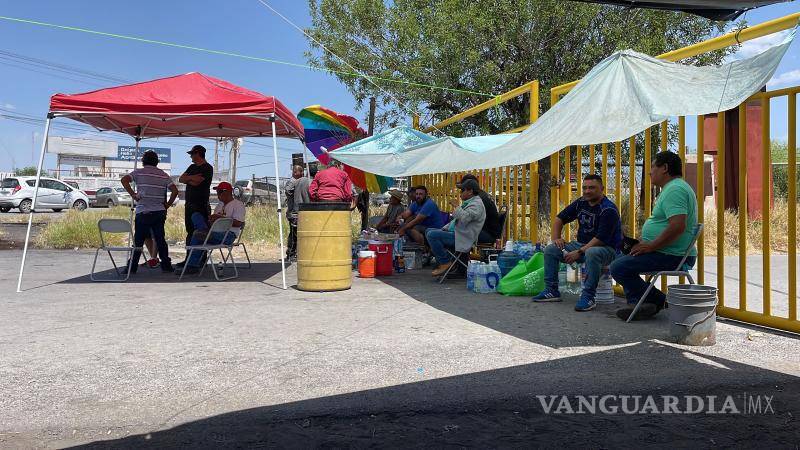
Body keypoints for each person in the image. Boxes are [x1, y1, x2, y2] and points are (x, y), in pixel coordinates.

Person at [612, 151, 698, 321]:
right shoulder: (673, 188)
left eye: (652, 166)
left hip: (673, 255)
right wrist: (646, 242)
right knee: (624, 256)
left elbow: (678, 225)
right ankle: (640, 303)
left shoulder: (675, 189)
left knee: (618, 267)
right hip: (666, 251)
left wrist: (652, 245)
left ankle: (658, 301)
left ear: (665, 168)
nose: (650, 171)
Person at [532, 174, 622, 312]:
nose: (587, 191)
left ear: (602, 189)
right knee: (551, 249)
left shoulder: (608, 209)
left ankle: (589, 296)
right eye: (584, 188)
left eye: (592, 188)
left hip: (606, 249)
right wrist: (556, 238)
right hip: (582, 245)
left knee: (592, 252)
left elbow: (600, 239)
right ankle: (551, 290)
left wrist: (579, 252)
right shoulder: (581, 202)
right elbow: (559, 219)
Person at [120, 150, 179, 274]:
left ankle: (132, 267)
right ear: (157, 162)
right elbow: (175, 191)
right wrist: (167, 204)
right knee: (160, 239)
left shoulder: (138, 172)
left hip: (143, 212)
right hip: (159, 211)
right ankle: (166, 265)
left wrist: (133, 195)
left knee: (138, 241)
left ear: (143, 161)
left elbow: (124, 180)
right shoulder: (163, 174)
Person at [180, 182, 246, 275]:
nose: (217, 194)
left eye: (219, 192)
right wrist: (211, 220)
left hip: (228, 235)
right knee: (196, 216)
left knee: (198, 235)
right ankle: (203, 231)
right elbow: (214, 220)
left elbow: (238, 223)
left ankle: (192, 266)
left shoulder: (238, 204)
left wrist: (219, 218)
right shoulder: (220, 204)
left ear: (226, 192)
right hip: (214, 232)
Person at [425, 179, 486, 277]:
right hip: (457, 233)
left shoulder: (477, 204)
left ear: (470, 191)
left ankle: (445, 262)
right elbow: (456, 221)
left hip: (463, 237)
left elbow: (466, 218)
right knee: (428, 231)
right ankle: (446, 258)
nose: (460, 193)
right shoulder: (469, 202)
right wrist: (445, 228)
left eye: (462, 190)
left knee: (432, 235)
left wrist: (456, 206)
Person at [177, 145, 213, 267]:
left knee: (200, 232)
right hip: (189, 204)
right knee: (190, 232)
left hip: (200, 205)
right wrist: (191, 178)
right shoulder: (192, 167)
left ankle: (201, 259)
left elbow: (198, 182)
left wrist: (189, 179)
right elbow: (181, 179)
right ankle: (189, 258)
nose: (191, 156)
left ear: (198, 153)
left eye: (192, 154)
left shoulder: (207, 168)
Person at [456, 174, 500, 243]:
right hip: (487, 231)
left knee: (455, 233)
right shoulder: (481, 195)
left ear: (471, 189)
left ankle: (453, 253)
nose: (460, 192)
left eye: (462, 189)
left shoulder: (478, 200)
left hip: (487, 234)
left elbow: (467, 219)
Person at [284, 165, 304, 259]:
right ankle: (290, 253)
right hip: (293, 213)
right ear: (296, 172)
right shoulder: (292, 181)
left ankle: (295, 252)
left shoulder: (298, 182)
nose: (302, 174)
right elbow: (288, 191)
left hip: (297, 212)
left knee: (297, 233)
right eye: (300, 172)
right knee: (293, 234)